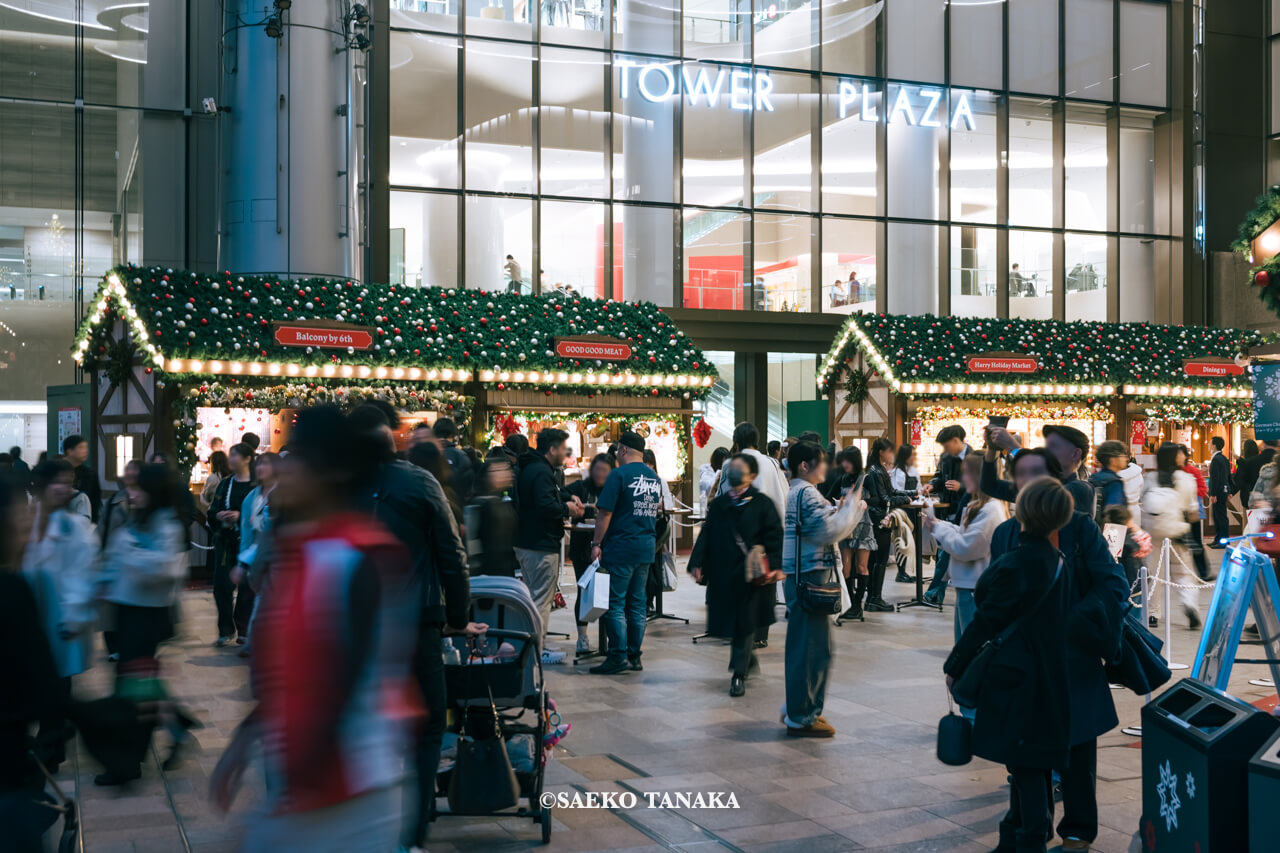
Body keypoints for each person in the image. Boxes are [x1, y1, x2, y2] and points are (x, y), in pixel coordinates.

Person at [209, 407, 426, 850]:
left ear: (327, 472)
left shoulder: (360, 556)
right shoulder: (303, 548)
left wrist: (299, 785)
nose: (284, 469)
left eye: (297, 458)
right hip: (314, 783)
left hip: (352, 791)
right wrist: (247, 739)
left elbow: (350, 679)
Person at [986, 448, 1129, 852]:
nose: (1028, 481)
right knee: (1023, 752)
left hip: (1073, 659)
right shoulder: (1005, 534)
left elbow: (1114, 585)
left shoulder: (1081, 529)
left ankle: (1078, 835)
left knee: (1077, 754)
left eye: (1037, 473)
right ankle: (1025, 830)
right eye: (1021, 474)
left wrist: (1073, 620)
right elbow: (995, 603)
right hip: (1022, 663)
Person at [346, 402, 472, 852]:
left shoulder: (340, 489)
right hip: (417, 622)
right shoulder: (420, 481)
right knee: (425, 727)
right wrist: (458, 617)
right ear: (391, 437)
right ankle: (413, 831)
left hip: (357, 628)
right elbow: (452, 556)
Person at [945, 477, 1075, 853]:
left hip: (1016, 673)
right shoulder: (1059, 562)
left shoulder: (1015, 563)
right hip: (1051, 672)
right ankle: (1022, 831)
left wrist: (955, 664)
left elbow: (985, 620)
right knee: (1033, 757)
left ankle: (1027, 836)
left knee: (1023, 760)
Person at [96, 463, 190, 784]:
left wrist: (130, 554)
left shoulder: (166, 525)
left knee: (133, 691)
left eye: (137, 488)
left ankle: (130, 761)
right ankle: (177, 726)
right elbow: (115, 560)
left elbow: (166, 569)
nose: (131, 494)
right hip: (128, 611)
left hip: (147, 615)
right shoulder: (139, 520)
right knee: (137, 682)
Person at [781, 441, 864, 737]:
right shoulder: (806, 493)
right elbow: (828, 531)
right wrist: (853, 508)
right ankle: (801, 715)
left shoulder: (797, 491)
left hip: (800, 576)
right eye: (822, 462)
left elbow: (817, 525)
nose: (826, 468)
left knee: (807, 647)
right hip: (811, 578)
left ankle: (797, 708)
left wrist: (838, 510)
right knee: (812, 650)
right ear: (805, 465)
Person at [688, 453, 783, 697]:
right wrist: (697, 562)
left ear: (751, 475)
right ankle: (747, 658)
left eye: (739, 469)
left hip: (751, 576)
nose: (733, 472)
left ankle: (738, 675)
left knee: (744, 622)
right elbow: (707, 534)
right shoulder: (720, 504)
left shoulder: (762, 504)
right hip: (724, 573)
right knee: (731, 624)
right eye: (732, 468)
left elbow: (775, 536)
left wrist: (776, 565)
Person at [23, 459, 97, 773]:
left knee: (55, 688)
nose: (65, 489)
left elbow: (82, 575)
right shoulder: (25, 520)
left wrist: (73, 615)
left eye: (69, 482)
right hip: (28, 612)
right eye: (59, 482)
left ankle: (50, 753)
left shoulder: (74, 526)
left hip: (59, 616)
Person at [588, 431, 662, 675]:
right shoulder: (654, 477)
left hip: (621, 547)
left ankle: (617, 655)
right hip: (645, 548)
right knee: (637, 604)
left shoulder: (618, 475)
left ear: (622, 450)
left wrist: (596, 543)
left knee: (615, 603)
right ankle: (634, 655)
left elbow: (605, 513)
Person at [924, 453, 1007, 651]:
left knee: (970, 652)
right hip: (966, 584)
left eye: (967, 473)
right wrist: (939, 524)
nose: (963, 479)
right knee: (963, 648)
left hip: (975, 587)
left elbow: (966, 547)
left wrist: (938, 528)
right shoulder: (978, 505)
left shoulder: (991, 509)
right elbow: (965, 535)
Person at [514, 428, 584, 632]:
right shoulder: (542, 471)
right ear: (552, 449)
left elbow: (546, 495)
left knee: (535, 598)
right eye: (563, 449)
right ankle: (535, 650)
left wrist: (566, 497)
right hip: (541, 546)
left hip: (527, 542)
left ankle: (532, 648)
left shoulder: (532, 467)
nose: (566, 453)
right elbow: (545, 506)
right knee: (541, 602)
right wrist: (567, 508)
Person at [1142, 443, 1201, 629]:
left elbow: (1142, 502)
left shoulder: (1150, 478)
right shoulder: (1186, 479)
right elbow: (1192, 511)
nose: (1184, 456)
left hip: (1155, 533)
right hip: (1177, 532)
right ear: (1176, 458)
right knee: (1183, 574)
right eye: (1180, 454)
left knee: (1154, 575)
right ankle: (1190, 605)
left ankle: (1153, 614)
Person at [233, 452, 280, 658]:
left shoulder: (283, 493)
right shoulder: (251, 497)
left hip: (275, 557)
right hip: (254, 555)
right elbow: (246, 531)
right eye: (259, 464)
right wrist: (242, 560)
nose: (261, 468)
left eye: (267, 464)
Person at [984, 424, 1094, 512]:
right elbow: (990, 486)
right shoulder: (1038, 485)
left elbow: (1052, 499)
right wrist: (993, 448)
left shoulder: (1082, 489)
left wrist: (1013, 447)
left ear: (1075, 454)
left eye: (1053, 446)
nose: (1046, 451)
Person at [565, 454, 613, 654]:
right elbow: (559, 493)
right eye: (597, 469)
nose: (600, 474)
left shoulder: (614, 489)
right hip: (582, 546)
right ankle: (582, 638)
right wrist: (572, 500)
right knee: (584, 591)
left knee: (609, 593)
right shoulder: (580, 486)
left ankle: (612, 639)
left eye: (605, 470)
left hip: (608, 547)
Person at [209, 443, 256, 647]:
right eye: (231, 454)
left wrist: (241, 516)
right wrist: (218, 515)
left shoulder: (256, 485)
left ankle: (243, 628)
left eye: (236, 455)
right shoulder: (225, 483)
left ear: (247, 459)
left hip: (248, 543)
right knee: (221, 586)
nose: (232, 458)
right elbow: (212, 510)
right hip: (226, 541)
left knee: (247, 587)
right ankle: (225, 629)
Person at [99, 459, 143, 662]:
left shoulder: (148, 503)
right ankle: (114, 647)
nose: (130, 474)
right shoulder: (111, 503)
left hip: (140, 567)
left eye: (135, 471)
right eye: (128, 470)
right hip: (113, 564)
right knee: (111, 611)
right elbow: (101, 533)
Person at [922, 425, 971, 604]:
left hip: (964, 512)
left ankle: (933, 593)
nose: (945, 449)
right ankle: (935, 594)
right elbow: (939, 476)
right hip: (946, 510)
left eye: (946, 445)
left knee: (945, 554)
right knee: (943, 554)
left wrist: (962, 487)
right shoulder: (945, 457)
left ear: (956, 440)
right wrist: (932, 484)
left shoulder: (974, 458)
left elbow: (982, 485)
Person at [825, 447, 875, 622]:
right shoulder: (843, 478)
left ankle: (857, 606)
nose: (844, 464)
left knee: (862, 566)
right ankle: (849, 603)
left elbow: (877, 499)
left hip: (862, 525)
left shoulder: (866, 478)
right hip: (846, 526)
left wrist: (862, 500)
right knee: (845, 568)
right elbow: (829, 496)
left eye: (847, 460)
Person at [863, 437, 913, 610]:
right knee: (879, 560)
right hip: (879, 519)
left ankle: (872, 598)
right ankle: (875, 598)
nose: (892, 454)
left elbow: (891, 491)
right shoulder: (877, 471)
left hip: (877, 518)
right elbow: (885, 499)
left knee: (876, 560)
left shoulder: (878, 469)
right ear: (881, 453)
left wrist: (912, 492)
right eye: (890, 451)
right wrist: (905, 498)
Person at [467, 450, 520, 579]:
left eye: (507, 469)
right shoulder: (479, 504)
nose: (507, 474)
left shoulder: (502, 501)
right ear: (487, 475)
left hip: (504, 573)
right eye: (500, 470)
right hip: (488, 576)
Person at [1179, 445, 1211, 581]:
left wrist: (1189, 492)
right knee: (1177, 546)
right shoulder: (1169, 473)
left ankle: (1203, 572)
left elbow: (1203, 490)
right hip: (1176, 513)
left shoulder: (1193, 471)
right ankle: (1180, 574)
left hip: (1192, 512)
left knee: (1197, 543)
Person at [1103, 505, 1151, 590]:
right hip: (1133, 585)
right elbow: (1145, 546)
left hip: (1117, 584)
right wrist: (1136, 530)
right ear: (1127, 522)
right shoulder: (1130, 543)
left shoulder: (1108, 536)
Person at [432, 417, 474, 504]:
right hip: (457, 507)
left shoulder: (428, 455)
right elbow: (468, 488)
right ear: (452, 435)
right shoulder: (461, 456)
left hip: (433, 508)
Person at [62, 434, 101, 524]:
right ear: (70, 451)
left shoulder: (89, 473)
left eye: (86, 447)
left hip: (84, 520)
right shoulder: (57, 470)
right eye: (81, 447)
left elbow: (95, 500)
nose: (85, 451)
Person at [1090, 440, 1129, 525]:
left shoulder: (1093, 477)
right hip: (1109, 533)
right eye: (1123, 456)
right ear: (1113, 460)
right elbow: (1115, 513)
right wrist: (1135, 528)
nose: (1126, 459)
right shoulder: (1114, 483)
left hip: (1093, 529)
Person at [1209, 436, 1232, 547]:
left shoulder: (1216, 459)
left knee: (1220, 517)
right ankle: (1219, 539)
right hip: (1224, 490)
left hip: (1218, 492)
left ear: (1214, 445)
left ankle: (1223, 540)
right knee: (1219, 516)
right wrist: (1230, 490)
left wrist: (1213, 494)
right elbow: (1229, 476)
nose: (1209, 445)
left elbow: (1215, 478)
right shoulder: (1223, 458)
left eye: (1210, 443)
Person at [200, 450, 231, 516]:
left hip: (215, 512)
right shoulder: (231, 476)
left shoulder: (213, 477)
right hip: (229, 511)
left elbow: (206, 496)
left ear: (212, 463)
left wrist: (201, 495)